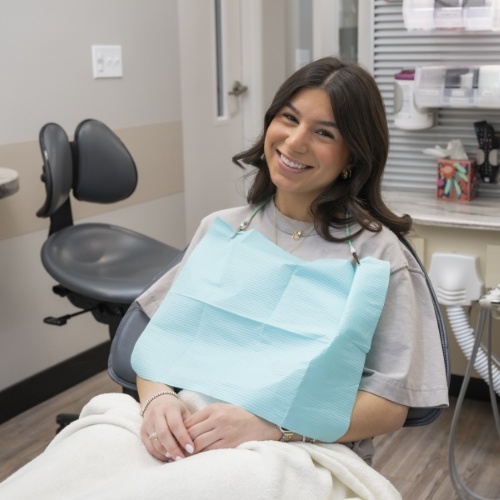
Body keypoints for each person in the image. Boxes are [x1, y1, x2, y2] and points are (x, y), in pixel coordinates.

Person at [0, 57, 448, 500]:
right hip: (181, 424)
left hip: (294, 446)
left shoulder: (378, 257)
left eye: (324, 132)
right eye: (288, 119)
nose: (294, 142)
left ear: (354, 156)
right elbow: (157, 344)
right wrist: (157, 401)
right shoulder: (222, 229)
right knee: (73, 466)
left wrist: (273, 425)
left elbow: (391, 405)